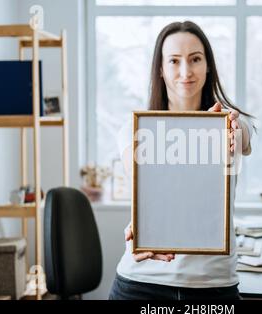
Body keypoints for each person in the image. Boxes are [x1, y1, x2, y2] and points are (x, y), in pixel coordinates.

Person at [109, 21, 254, 300]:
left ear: (208, 65)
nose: (185, 71)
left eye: (195, 59)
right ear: (161, 70)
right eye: (174, 61)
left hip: (214, 286)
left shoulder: (232, 123)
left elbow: (244, 137)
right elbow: (148, 195)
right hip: (141, 284)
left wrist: (236, 131)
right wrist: (139, 229)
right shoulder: (134, 129)